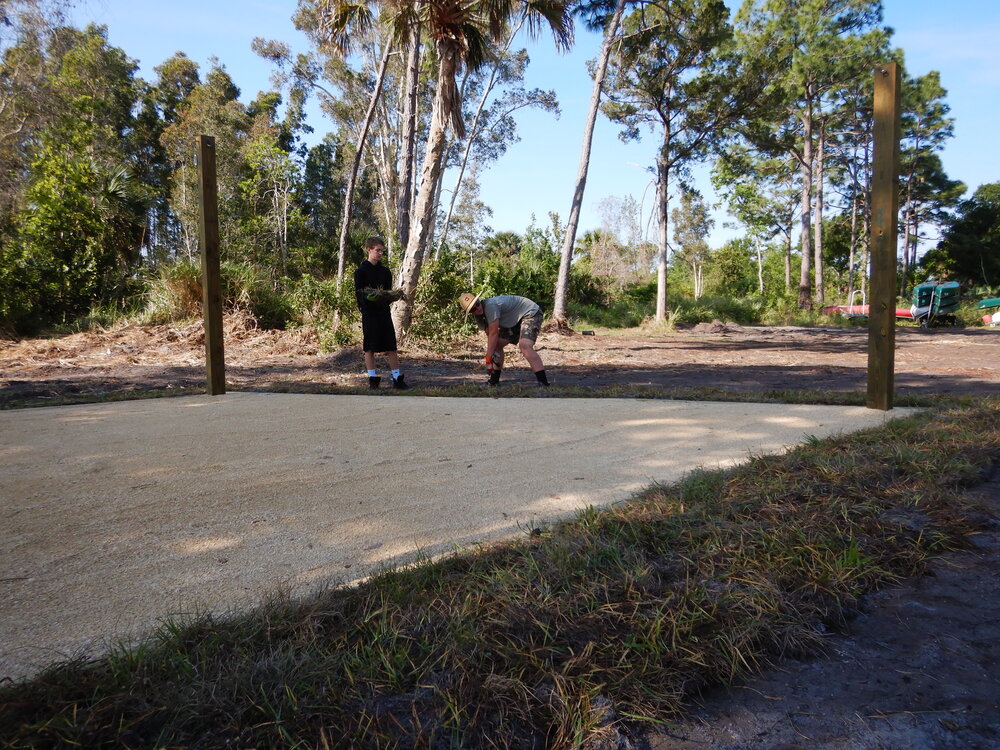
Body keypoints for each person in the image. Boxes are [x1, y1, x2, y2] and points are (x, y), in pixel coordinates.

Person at [458, 292, 549, 386]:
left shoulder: (490, 306)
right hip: (514, 320)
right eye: (473, 309)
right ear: (470, 313)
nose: (478, 309)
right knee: (496, 345)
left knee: (524, 345)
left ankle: (543, 382)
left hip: (529, 312)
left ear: (479, 301)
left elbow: (494, 332)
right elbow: (490, 335)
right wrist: (491, 355)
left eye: (477, 304)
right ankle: (494, 381)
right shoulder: (478, 316)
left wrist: (488, 358)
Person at [354, 236, 410, 390]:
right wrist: (369, 298)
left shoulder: (385, 272)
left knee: (391, 345)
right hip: (369, 314)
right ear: (369, 249)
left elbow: (387, 293)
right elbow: (359, 294)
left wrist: (390, 296)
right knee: (369, 347)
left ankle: (397, 378)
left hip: (384, 313)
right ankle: (372, 379)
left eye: (382, 251)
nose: (380, 253)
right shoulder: (360, 271)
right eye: (377, 250)